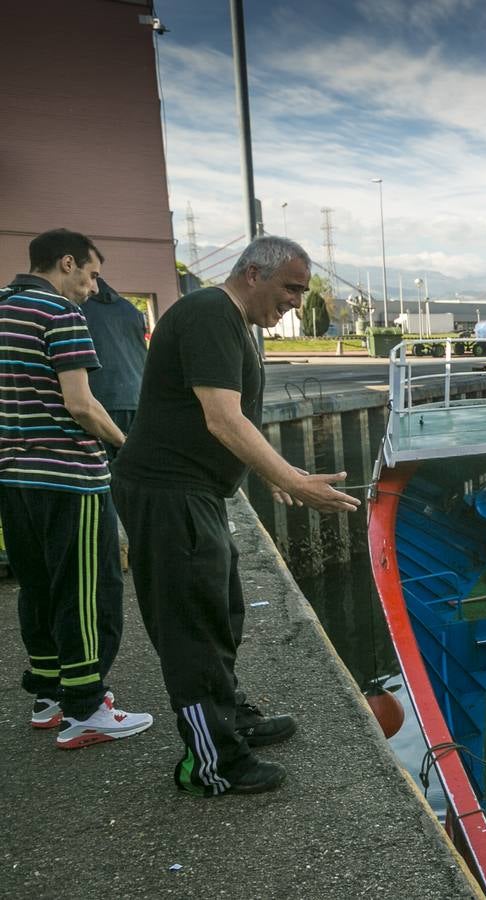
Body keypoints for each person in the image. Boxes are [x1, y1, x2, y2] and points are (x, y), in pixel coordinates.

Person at [113, 236, 359, 796]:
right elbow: (223, 419)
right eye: (291, 287)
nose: (298, 300)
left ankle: (229, 718)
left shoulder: (230, 322)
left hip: (194, 493)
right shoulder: (207, 314)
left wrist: (271, 474)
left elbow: (224, 424)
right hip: (167, 493)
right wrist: (289, 477)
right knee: (191, 626)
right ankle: (212, 762)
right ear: (253, 272)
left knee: (223, 611)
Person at [0, 229, 152, 748]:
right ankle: (86, 708)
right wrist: (125, 446)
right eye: (89, 275)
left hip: (13, 478)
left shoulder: (3, 308)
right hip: (70, 477)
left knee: (37, 586)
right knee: (88, 591)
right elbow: (82, 404)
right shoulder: (61, 314)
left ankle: (47, 696)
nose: (91, 289)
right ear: (67, 263)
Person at [79, 276, 148, 460]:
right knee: (132, 468)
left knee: (103, 470)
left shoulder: (77, 309)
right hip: (137, 398)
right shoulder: (131, 309)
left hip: (100, 401)